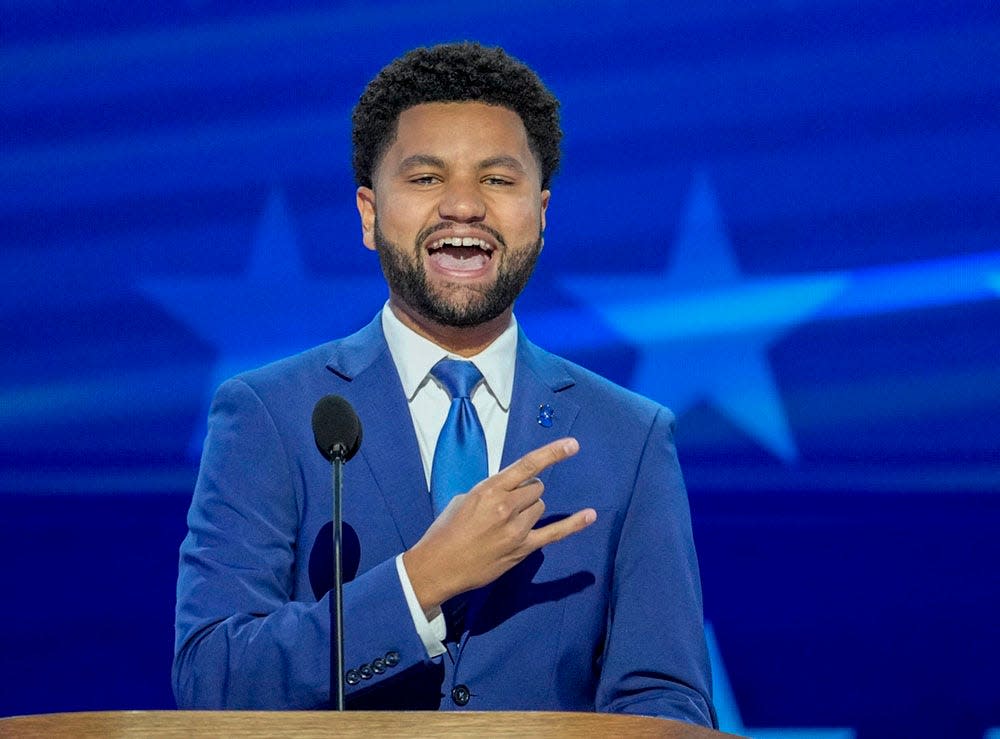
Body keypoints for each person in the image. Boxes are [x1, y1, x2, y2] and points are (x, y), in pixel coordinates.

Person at [173, 41, 716, 727]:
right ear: (370, 214)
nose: (464, 205)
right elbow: (212, 678)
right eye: (426, 178)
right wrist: (419, 582)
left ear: (542, 214)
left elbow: (666, 705)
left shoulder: (629, 437)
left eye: (498, 179)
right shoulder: (268, 415)